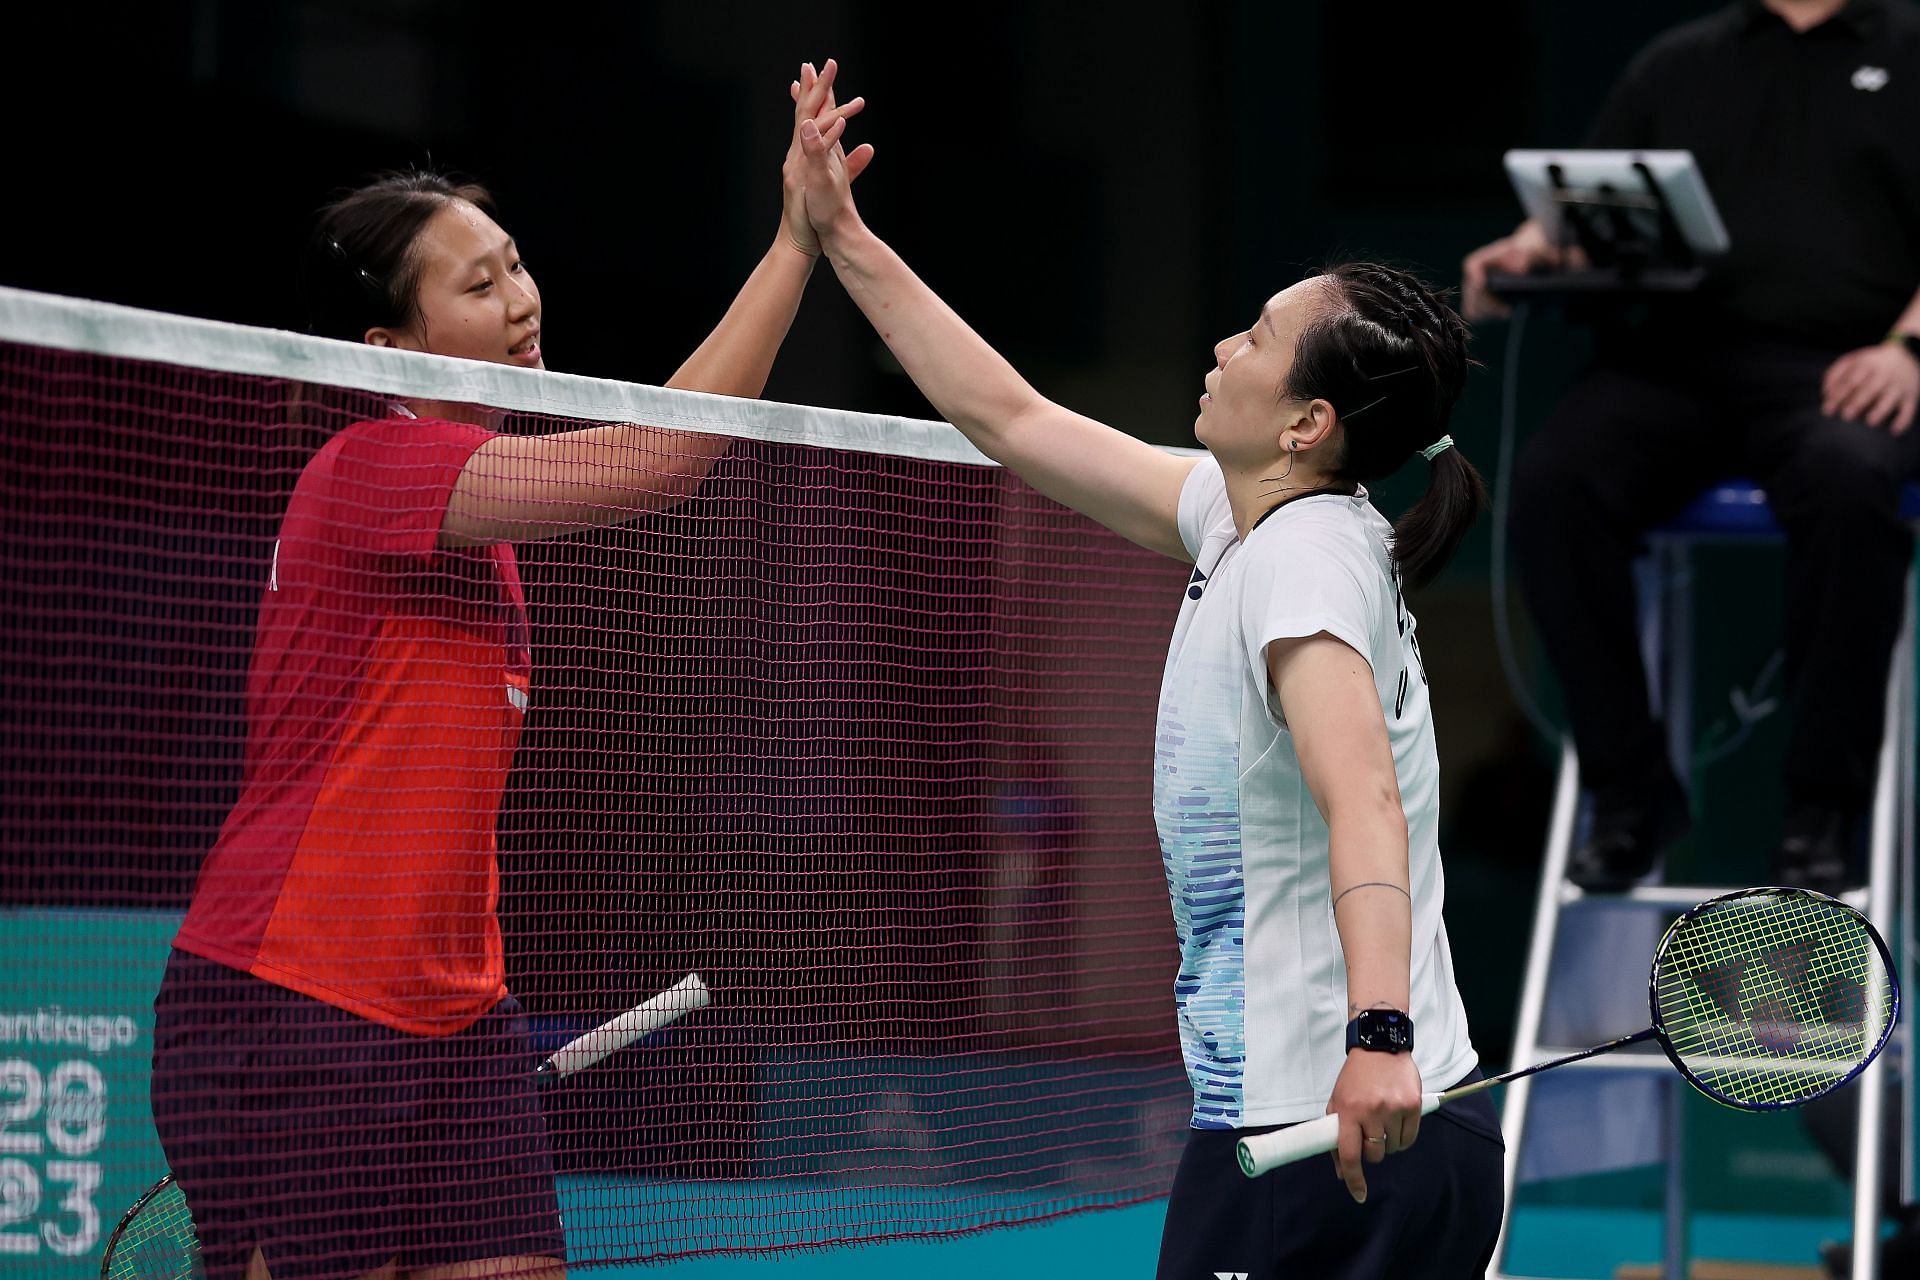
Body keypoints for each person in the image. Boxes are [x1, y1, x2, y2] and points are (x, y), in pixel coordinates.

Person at [147, 62, 872, 1280]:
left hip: (456, 1024)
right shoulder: (371, 465)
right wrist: (797, 245)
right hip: (295, 1005)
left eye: (518, 265)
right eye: (478, 285)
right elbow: (662, 458)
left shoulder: (482, 538)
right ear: (390, 345)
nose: (524, 299)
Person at [794, 97, 1505, 1280]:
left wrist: (1380, 1033)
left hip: (1331, 1124)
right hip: (1343, 1118)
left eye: (1260, 338)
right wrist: (841, 235)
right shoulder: (1249, 522)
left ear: (1306, 422)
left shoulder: (1302, 561)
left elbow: (1365, 802)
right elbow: (1009, 417)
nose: (1226, 345)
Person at [1462, 0, 1920, 894]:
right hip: (1675, 368)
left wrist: (1909, 350)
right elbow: (1593, 219)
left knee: (1849, 477)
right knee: (1557, 486)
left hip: (1849, 364)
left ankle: (1823, 809)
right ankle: (1631, 796)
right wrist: (1528, 250)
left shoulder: (1910, 48)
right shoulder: (1677, 63)